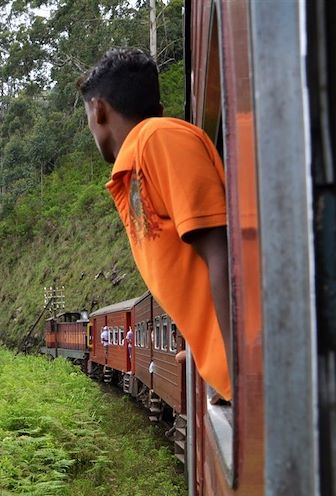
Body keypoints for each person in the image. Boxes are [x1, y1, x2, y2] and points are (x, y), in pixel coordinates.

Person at [76, 48, 231, 402]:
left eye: (87, 116)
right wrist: (209, 355)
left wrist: (241, 370)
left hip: (253, 380)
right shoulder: (137, 165)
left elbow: (221, 251)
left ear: (98, 110)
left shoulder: (158, 139)